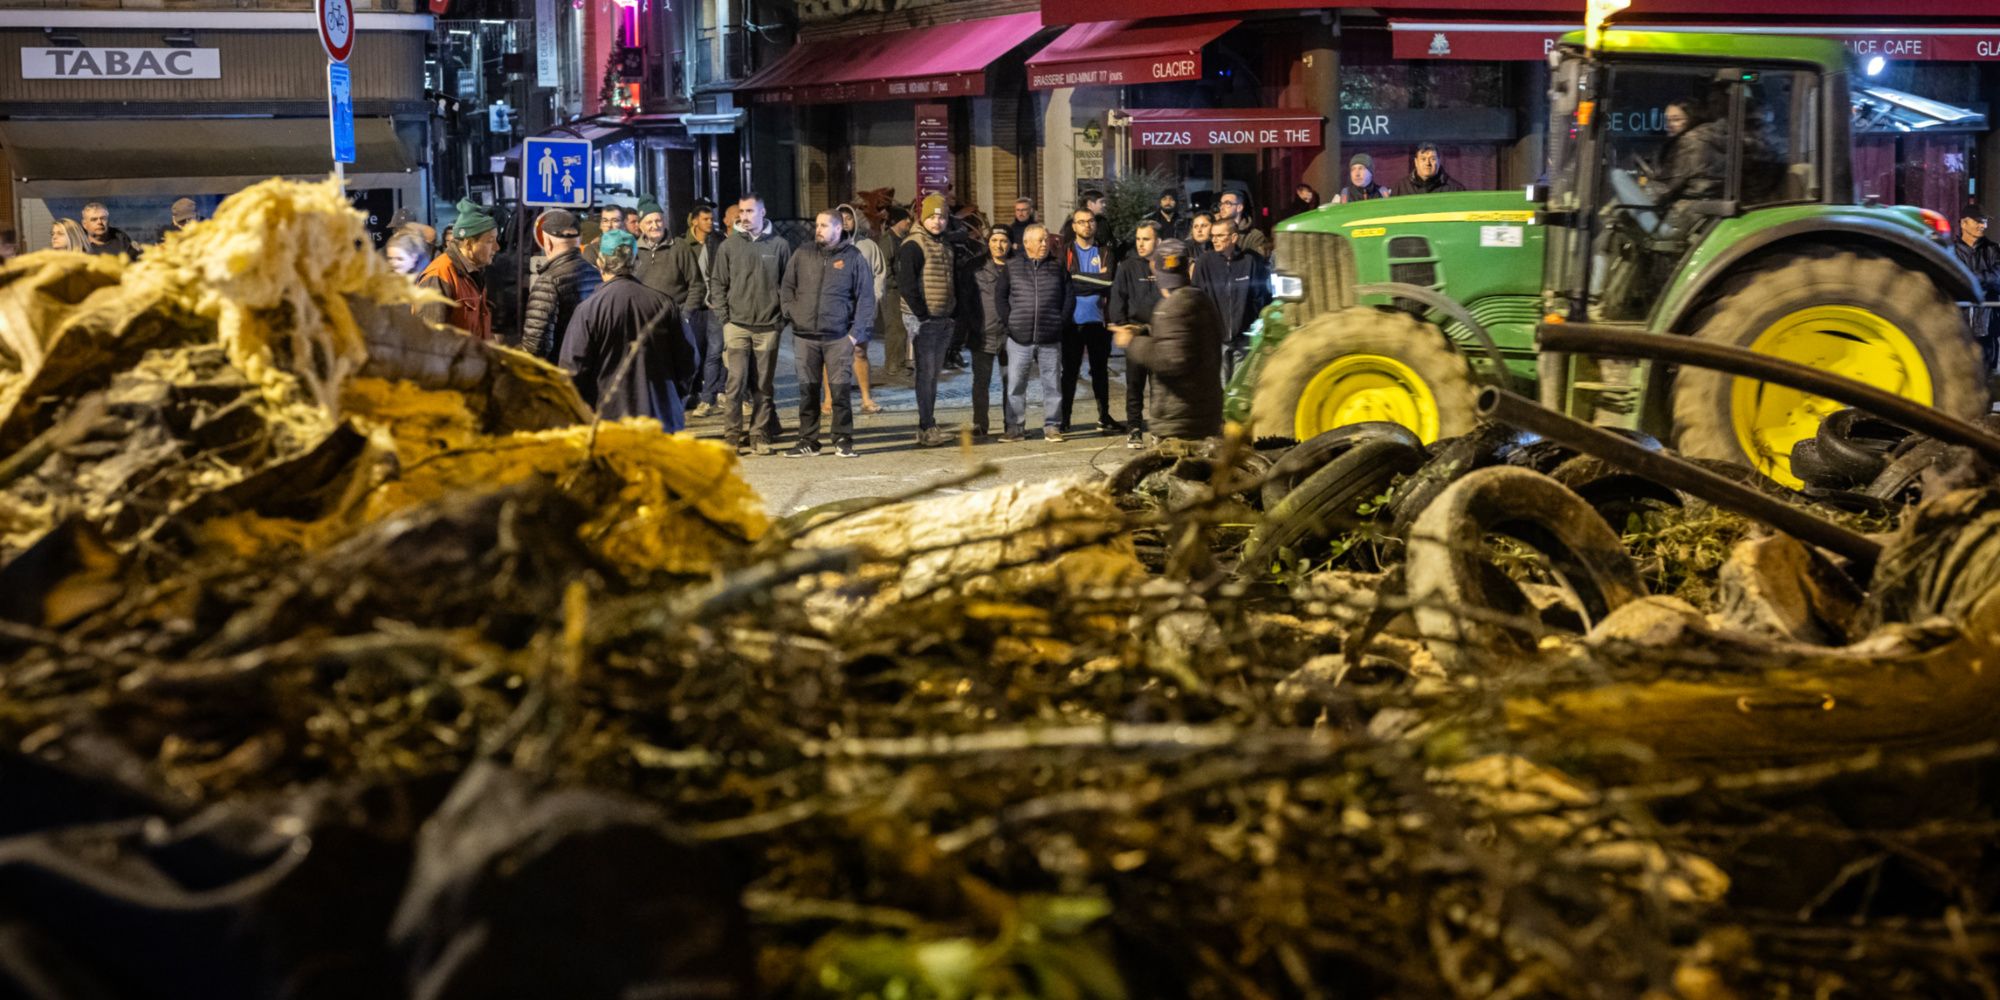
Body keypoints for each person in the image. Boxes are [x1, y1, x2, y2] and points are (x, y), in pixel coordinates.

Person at [558, 229, 697, 430]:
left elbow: (571, 370)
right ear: (636, 262)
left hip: (609, 423)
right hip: (661, 419)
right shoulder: (665, 304)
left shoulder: (589, 309)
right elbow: (688, 360)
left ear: (600, 263)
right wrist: (673, 396)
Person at [780, 209, 875, 458]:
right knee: (808, 391)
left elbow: (866, 298)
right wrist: (792, 313)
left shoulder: (853, 257)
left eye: (824, 225)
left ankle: (843, 439)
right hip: (805, 336)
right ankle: (808, 440)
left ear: (838, 228)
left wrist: (854, 335)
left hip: (838, 337)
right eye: (817, 225)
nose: (818, 229)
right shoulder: (802, 253)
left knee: (840, 390)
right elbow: (787, 287)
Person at [1111, 239, 1223, 444]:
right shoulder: (1200, 300)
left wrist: (1131, 342)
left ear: (1157, 269)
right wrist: (1145, 330)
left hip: (1181, 419)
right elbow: (1187, 342)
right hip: (1204, 411)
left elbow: (1171, 358)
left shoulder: (1171, 307)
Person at [710, 194, 790, 455]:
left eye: (749, 211)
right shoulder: (729, 246)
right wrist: (725, 318)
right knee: (735, 384)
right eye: (741, 211)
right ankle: (732, 437)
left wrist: (782, 319)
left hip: (768, 327)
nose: (743, 216)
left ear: (762, 212)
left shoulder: (779, 245)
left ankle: (759, 435)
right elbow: (718, 283)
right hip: (737, 326)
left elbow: (788, 286)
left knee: (763, 386)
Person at [995, 224, 1074, 442]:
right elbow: (1000, 297)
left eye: (1046, 240)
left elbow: (1069, 297)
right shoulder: (1012, 267)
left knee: (1052, 384)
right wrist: (1010, 323)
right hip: (1019, 337)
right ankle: (1015, 428)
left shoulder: (1058, 267)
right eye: (1039, 240)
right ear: (1027, 243)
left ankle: (1052, 426)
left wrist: (1061, 321)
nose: (1044, 244)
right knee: (1016, 385)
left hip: (1050, 336)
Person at [896, 194, 960, 447]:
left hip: (942, 317)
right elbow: (907, 285)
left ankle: (928, 424)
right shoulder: (914, 245)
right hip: (923, 320)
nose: (937, 221)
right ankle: (926, 426)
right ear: (923, 218)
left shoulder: (943, 245)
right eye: (932, 216)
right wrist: (922, 315)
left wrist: (952, 311)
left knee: (933, 374)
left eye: (942, 217)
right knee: (926, 374)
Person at [1061, 208, 1123, 435]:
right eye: (1081, 222)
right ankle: (1064, 419)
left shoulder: (1106, 251)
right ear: (1074, 226)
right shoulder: (1066, 251)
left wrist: (1081, 279)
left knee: (1100, 372)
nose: (1086, 225)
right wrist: (1094, 280)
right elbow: (1068, 282)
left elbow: (1108, 283)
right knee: (1069, 372)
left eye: (1090, 221)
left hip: (1099, 321)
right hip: (1072, 322)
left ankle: (1103, 416)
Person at [521, 209, 601, 362]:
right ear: (580, 240)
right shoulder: (596, 274)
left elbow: (536, 346)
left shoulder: (548, 281)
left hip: (560, 371)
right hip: (589, 370)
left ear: (547, 243)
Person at [1194, 222, 1271, 382]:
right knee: (1218, 387)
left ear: (1234, 237)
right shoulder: (1205, 262)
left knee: (1238, 386)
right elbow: (1197, 297)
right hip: (1216, 338)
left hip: (1243, 338)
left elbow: (1261, 296)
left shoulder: (1250, 261)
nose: (1215, 240)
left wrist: (1255, 326)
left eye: (1220, 236)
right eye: (1213, 236)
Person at [1110, 221, 1164, 448]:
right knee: (1134, 386)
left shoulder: (1167, 265)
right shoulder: (1127, 266)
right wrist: (1123, 325)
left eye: (1146, 239)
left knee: (1160, 388)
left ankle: (1159, 430)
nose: (1140, 244)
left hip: (1161, 337)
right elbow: (1117, 298)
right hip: (1136, 336)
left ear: (1158, 241)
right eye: (1138, 239)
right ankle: (1134, 429)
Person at [416, 198, 498, 340]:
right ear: (469, 244)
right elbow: (429, 343)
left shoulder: (474, 272)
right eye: (490, 241)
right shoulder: (439, 276)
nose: (497, 247)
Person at [835, 204, 886, 416]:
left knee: (859, 352)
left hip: (860, 310)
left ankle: (866, 398)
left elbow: (879, 275)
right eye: (841, 218)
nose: (846, 222)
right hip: (836, 310)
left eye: (849, 218)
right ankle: (831, 400)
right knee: (832, 355)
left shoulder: (868, 246)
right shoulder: (830, 246)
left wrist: (873, 301)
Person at [969, 227, 1013, 439]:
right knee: (981, 383)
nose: (998, 245)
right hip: (983, 333)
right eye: (994, 240)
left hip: (1011, 334)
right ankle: (980, 423)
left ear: (1010, 243)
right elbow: (966, 299)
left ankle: (1011, 424)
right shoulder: (975, 267)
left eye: (1003, 240)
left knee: (1011, 383)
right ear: (988, 243)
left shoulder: (1017, 266)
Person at [1957, 205, 2000, 374]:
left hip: (1988, 330)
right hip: (1959, 332)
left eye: (1985, 222)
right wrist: (1983, 279)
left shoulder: (1994, 250)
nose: (1983, 225)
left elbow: (1998, 278)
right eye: (1979, 221)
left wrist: (1968, 278)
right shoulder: (1951, 252)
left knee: (1987, 382)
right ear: (1963, 223)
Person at [876, 205, 915, 383]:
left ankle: (899, 362)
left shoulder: (902, 239)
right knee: (895, 328)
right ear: (897, 222)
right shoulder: (887, 241)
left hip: (901, 290)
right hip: (892, 292)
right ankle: (893, 366)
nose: (909, 222)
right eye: (905, 219)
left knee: (902, 328)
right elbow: (884, 269)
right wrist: (896, 284)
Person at [1392, 143, 1467, 197]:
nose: (1428, 163)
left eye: (1432, 159)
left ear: (1439, 161)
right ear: (1416, 162)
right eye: (1423, 159)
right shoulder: (1400, 188)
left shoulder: (1455, 189)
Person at [1215, 190, 1269, 259]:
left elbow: (1256, 263)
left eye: (1227, 203)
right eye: (1221, 204)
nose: (1222, 207)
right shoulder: (1215, 231)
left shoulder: (1254, 236)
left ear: (1239, 207)